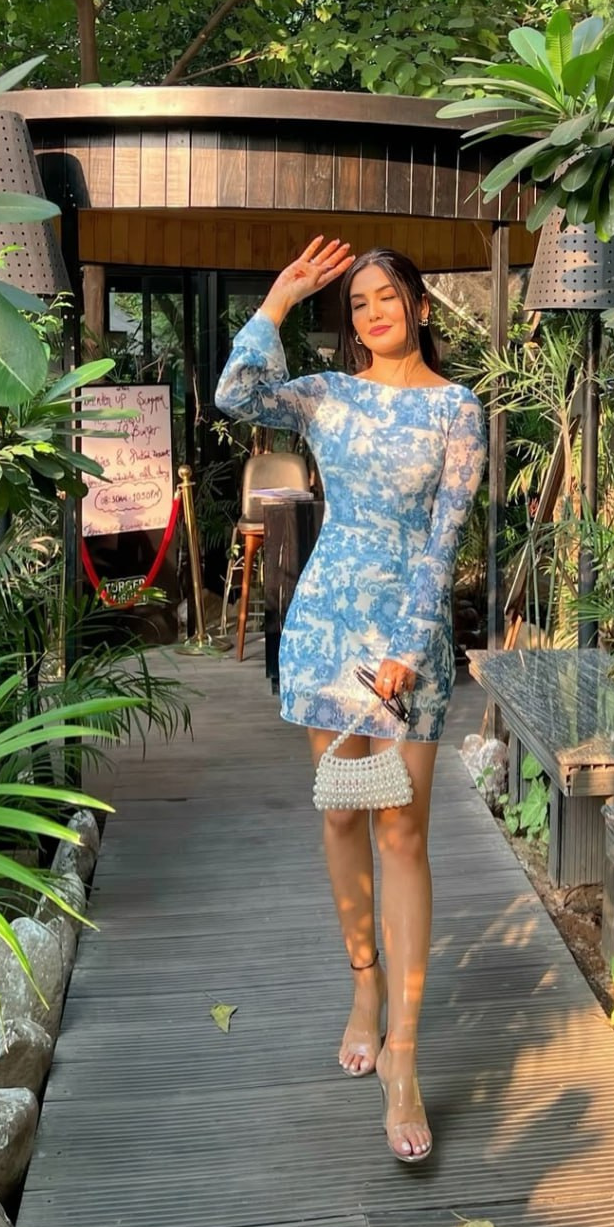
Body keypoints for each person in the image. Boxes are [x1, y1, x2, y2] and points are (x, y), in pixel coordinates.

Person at [214, 238, 486, 1163]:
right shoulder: (328, 394)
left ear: (420, 305)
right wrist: (278, 301)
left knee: (402, 830)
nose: (373, 313)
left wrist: (410, 643)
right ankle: (363, 982)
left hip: (408, 640)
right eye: (359, 302)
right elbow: (236, 395)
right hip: (327, 628)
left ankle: (404, 1054)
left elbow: (446, 538)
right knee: (341, 815)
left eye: (387, 296)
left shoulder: (456, 408)